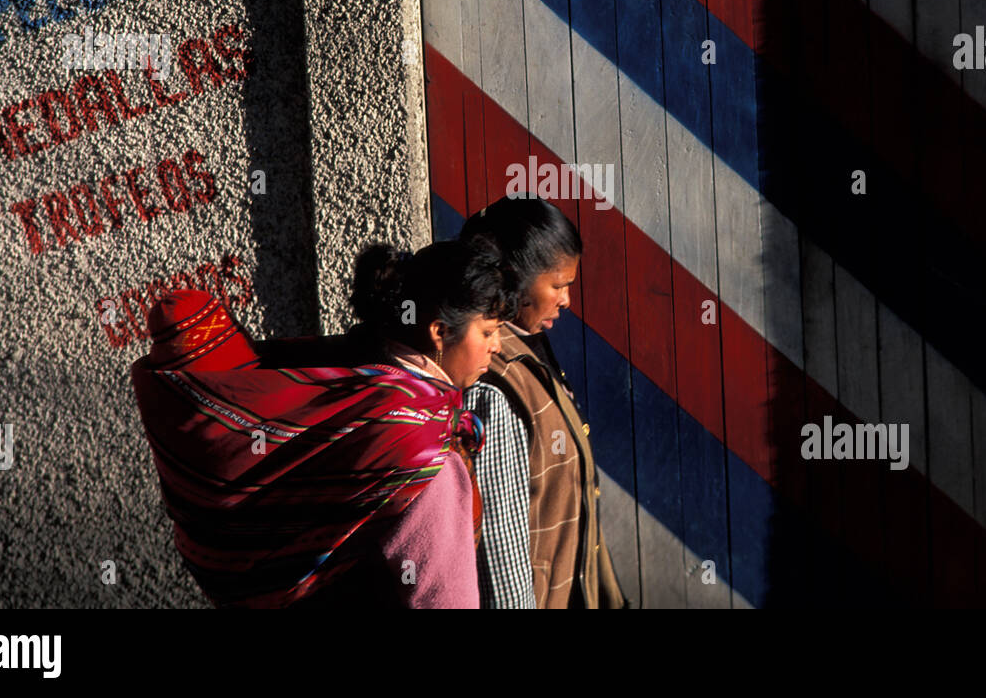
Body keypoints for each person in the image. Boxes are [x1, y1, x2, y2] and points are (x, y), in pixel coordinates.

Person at [130, 237, 515, 609]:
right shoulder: (422, 449)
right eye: (488, 331)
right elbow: (444, 599)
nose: (496, 346)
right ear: (439, 332)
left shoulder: (335, 389)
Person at [460, 197, 629, 609]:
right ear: (514, 277)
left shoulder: (532, 355)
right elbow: (501, 548)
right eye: (558, 285)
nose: (567, 299)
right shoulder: (492, 384)